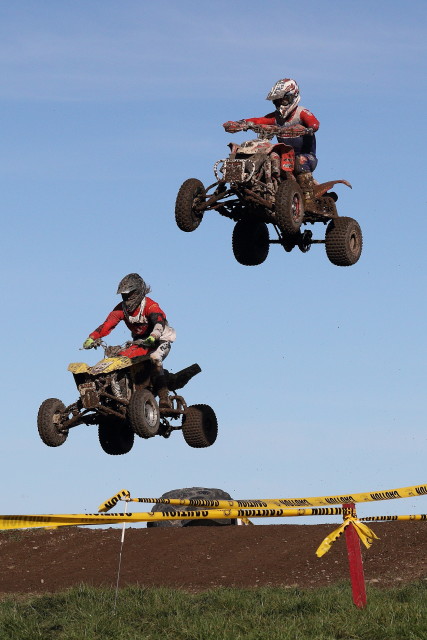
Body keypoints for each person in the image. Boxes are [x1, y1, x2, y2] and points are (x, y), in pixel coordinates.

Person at [82, 273, 176, 408]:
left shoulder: (150, 305)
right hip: (140, 343)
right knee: (119, 360)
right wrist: (92, 337)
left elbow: (159, 321)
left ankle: (164, 397)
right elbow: (108, 324)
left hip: (160, 340)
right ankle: (121, 396)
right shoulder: (122, 308)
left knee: (155, 358)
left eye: (130, 294)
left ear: (138, 292)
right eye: (124, 295)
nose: (127, 298)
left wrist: (154, 335)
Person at [223, 78, 320, 207]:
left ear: (292, 97)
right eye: (277, 101)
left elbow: (314, 123)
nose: (280, 104)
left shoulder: (301, 112)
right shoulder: (276, 117)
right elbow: (258, 120)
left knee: (300, 161)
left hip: (305, 156)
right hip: (284, 155)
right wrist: (240, 123)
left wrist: (308, 129)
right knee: (264, 155)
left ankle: (308, 200)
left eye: (283, 100)